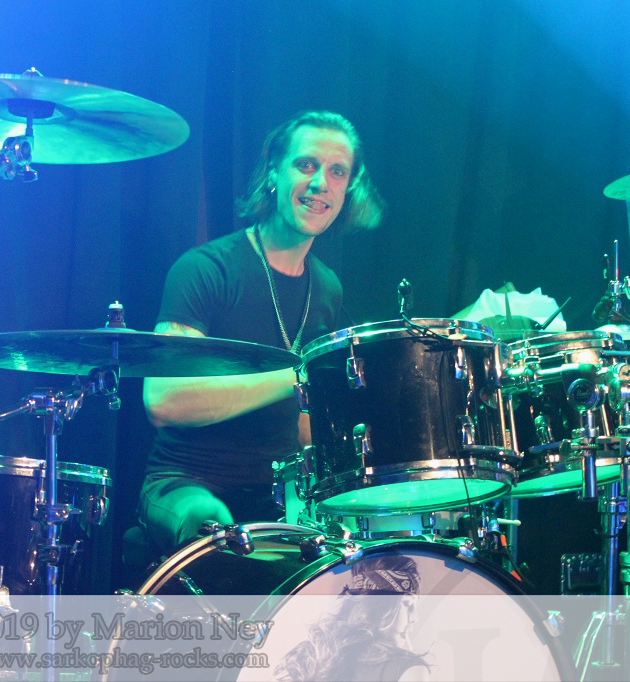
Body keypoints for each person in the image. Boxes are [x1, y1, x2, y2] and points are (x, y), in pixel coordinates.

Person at [139, 110, 384, 554]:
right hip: (187, 483)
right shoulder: (206, 269)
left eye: (337, 171)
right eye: (306, 165)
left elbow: (306, 428)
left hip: (278, 496)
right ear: (274, 171)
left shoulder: (327, 288)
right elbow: (163, 400)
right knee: (210, 523)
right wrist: (297, 376)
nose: (320, 183)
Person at [273, 555, 431, 682]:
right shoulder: (410, 669)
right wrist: (405, 661)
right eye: (407, 604)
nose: (414, 618)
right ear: (380, 606)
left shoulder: (309, 657)